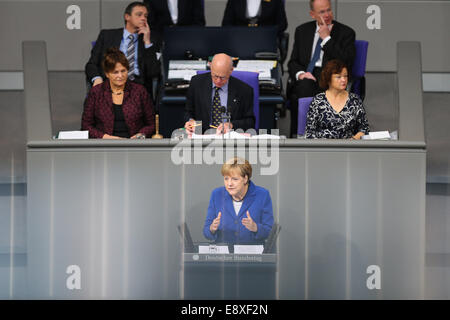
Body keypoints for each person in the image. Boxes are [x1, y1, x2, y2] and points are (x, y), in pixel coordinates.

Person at [287, 0, 355, 137]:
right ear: (313, 14)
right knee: (304, 86)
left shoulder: (346, 33)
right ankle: (304, 135)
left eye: (329, 10)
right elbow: (293, 62)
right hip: (308, 76)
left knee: (303, 92)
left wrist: (326, 39)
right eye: (322, 12)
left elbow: (345, 62)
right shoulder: (302, 31)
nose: (327, 15)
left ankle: (306, 135)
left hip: (330, 78)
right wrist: (301, 74)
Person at [85, 1, 160, 101]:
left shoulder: (150, 40)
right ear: (127, 17)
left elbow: (153, 72)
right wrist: (97, 78)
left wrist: (147, 42)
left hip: (137, 87)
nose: (143, 18)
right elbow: (91, 64)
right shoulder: (107, 36)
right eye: (139, 15)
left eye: (145, 16)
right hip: (110, 84)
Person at [81, 48, 155, 139]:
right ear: (107, 74)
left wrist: (140, 135)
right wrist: (106, 137)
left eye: (123, 71)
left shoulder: (139, 91)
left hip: (134, 144)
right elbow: (86, 126)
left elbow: (151, 124)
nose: (120, 76)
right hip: (104, 145)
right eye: (115, 72)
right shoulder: (96, 93)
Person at [203, 158, 274, 244]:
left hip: (252, 255)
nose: (229, 184)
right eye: (226, 179)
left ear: (245, 179)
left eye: (234, 179)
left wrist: (256, 228)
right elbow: (206, 232)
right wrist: (212, 228)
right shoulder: (217, 195)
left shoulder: (262, 195)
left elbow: (269, 232)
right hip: (224, 255)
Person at [184, 53, 255, 134]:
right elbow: (188, 112)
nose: (218, 81)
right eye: (215, 76)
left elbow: (250, 122)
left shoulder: (244, 90)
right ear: (210, 67)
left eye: (222, 77)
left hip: (230, 137)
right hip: (203, 136)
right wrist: (190, 121)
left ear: (231, 70)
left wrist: (231, 125)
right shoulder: (196, 83)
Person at [305, 59, 369, 139]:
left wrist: (353, 140)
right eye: (338, 77)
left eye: (345, 76)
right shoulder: (318, 101)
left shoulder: (354, 100)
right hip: (323, 148)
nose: (343, 80)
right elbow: (310, 132)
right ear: (328, 79)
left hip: (348, 148)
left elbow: (364, 129)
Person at [221, 0, 287, 36]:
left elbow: (282, 24)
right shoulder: (234, 1)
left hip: (266, 41)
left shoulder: (275, 1)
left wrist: (267, 33)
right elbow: (226, 23)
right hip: (238, 41)